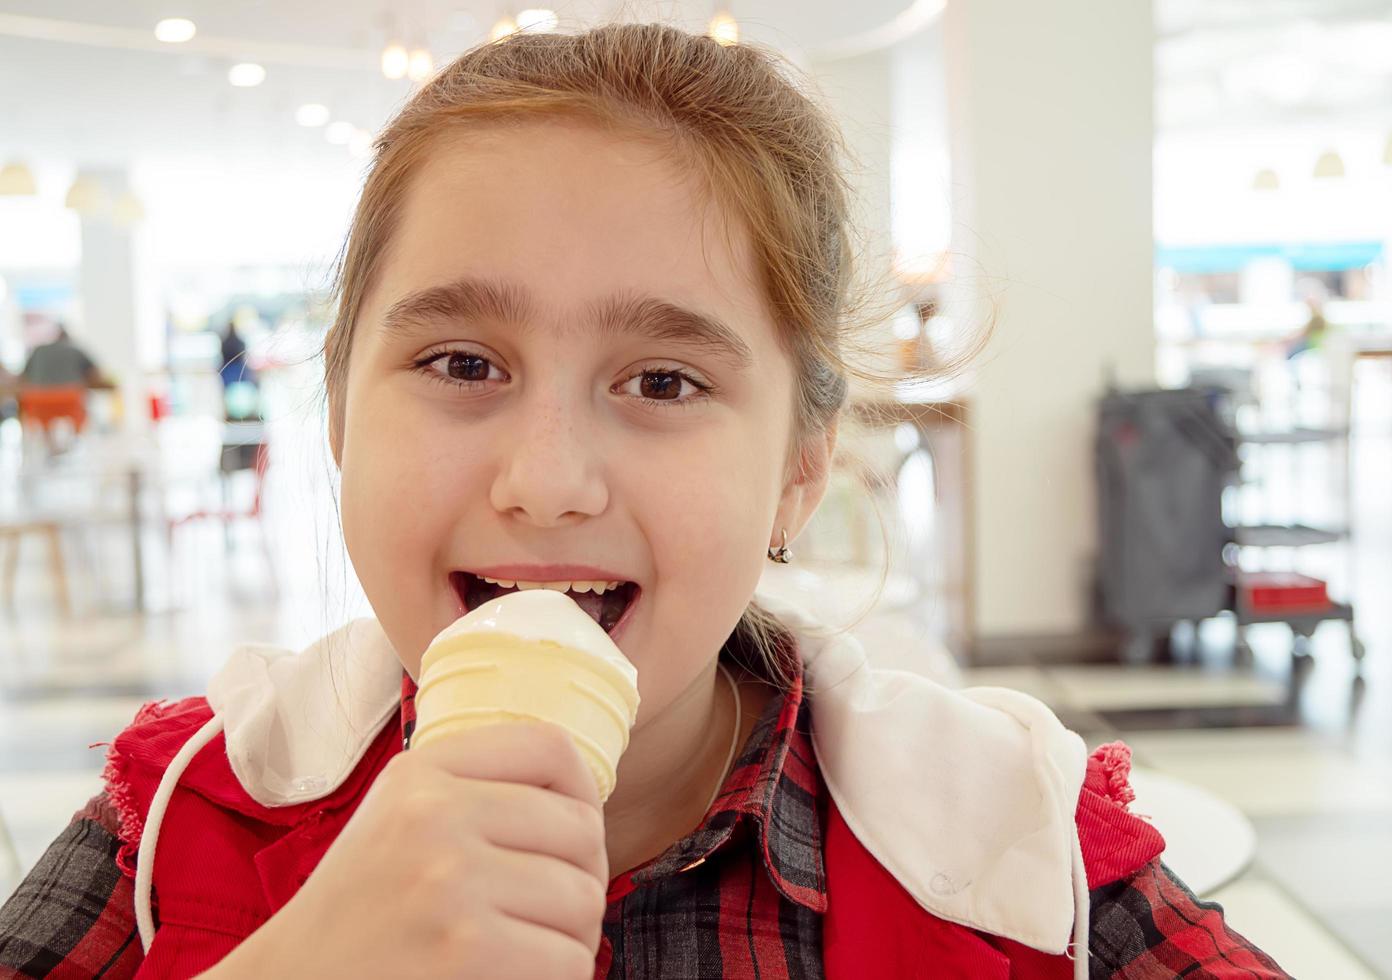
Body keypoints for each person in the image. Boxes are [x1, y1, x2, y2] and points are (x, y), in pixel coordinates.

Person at [0, 24, 1287, 980]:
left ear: (800, 464)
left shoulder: (1012, 850)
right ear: (339, 414)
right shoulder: (179, 820)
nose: (547, 480)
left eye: (663, 379)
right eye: (462, 364)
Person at [19, 323, 113, 389]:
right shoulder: (75, 350)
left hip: (38, 404)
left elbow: (23, 378)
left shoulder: (38, 350)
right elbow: (96, 373)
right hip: (69, 402)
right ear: (68, 338)